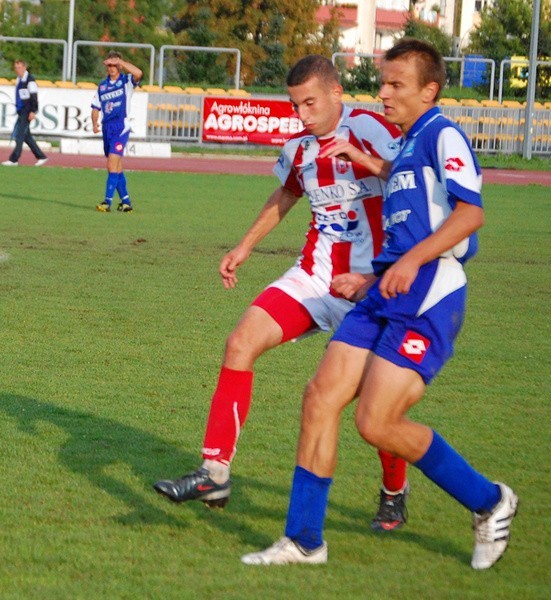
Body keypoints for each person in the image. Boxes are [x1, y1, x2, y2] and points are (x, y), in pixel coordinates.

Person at [241, 39, 518, 570]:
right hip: (384, 289)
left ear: (429, 91)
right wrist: (374, 268)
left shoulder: (442, 134)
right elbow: (412, 201)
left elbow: (469, 214)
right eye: (383, 81)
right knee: (320, 396)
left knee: (376, 423)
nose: (383, 92)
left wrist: (411, 262)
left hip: (430, 293)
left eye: (396, 84)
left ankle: (490, 501)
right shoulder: (410, 144)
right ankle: (303, 540)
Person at [154, 55, 412, 532]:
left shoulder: (373, 129)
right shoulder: (299, 149)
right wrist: (243, 247)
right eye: (295, 106)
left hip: (371, 285)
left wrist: (363, 160)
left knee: (378, 399)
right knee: (240, 342)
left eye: (310, 103)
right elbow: (286, 196)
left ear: (337, 94)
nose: (302, 115)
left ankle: (394, 490)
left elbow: (412, 179)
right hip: (314, 276)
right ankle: (214, 472)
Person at [92, 51, 143, 213]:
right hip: (107, 128)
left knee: (111, 163)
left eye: (115, 65)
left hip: (121, 127)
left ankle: (107, 202)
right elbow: (95, 107)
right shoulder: (102, 86)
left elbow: (138, 73)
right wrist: (95, 123)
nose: (112, 68)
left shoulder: (126, 81)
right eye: (109, 65)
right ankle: (126, 202)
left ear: (119, 66)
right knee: (117, 167)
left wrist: (122, 62)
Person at [1, 59, 48, 167]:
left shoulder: (30, 80)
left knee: (19, 135)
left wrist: (33, 111)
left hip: (27, 111)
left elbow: (34, 97)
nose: (17, 70)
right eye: (16, 68)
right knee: (27, 137)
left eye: (19, 67)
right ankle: (41, 156)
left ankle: (14, 159)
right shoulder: (19, 79)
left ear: (24, 67)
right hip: (21, 110)